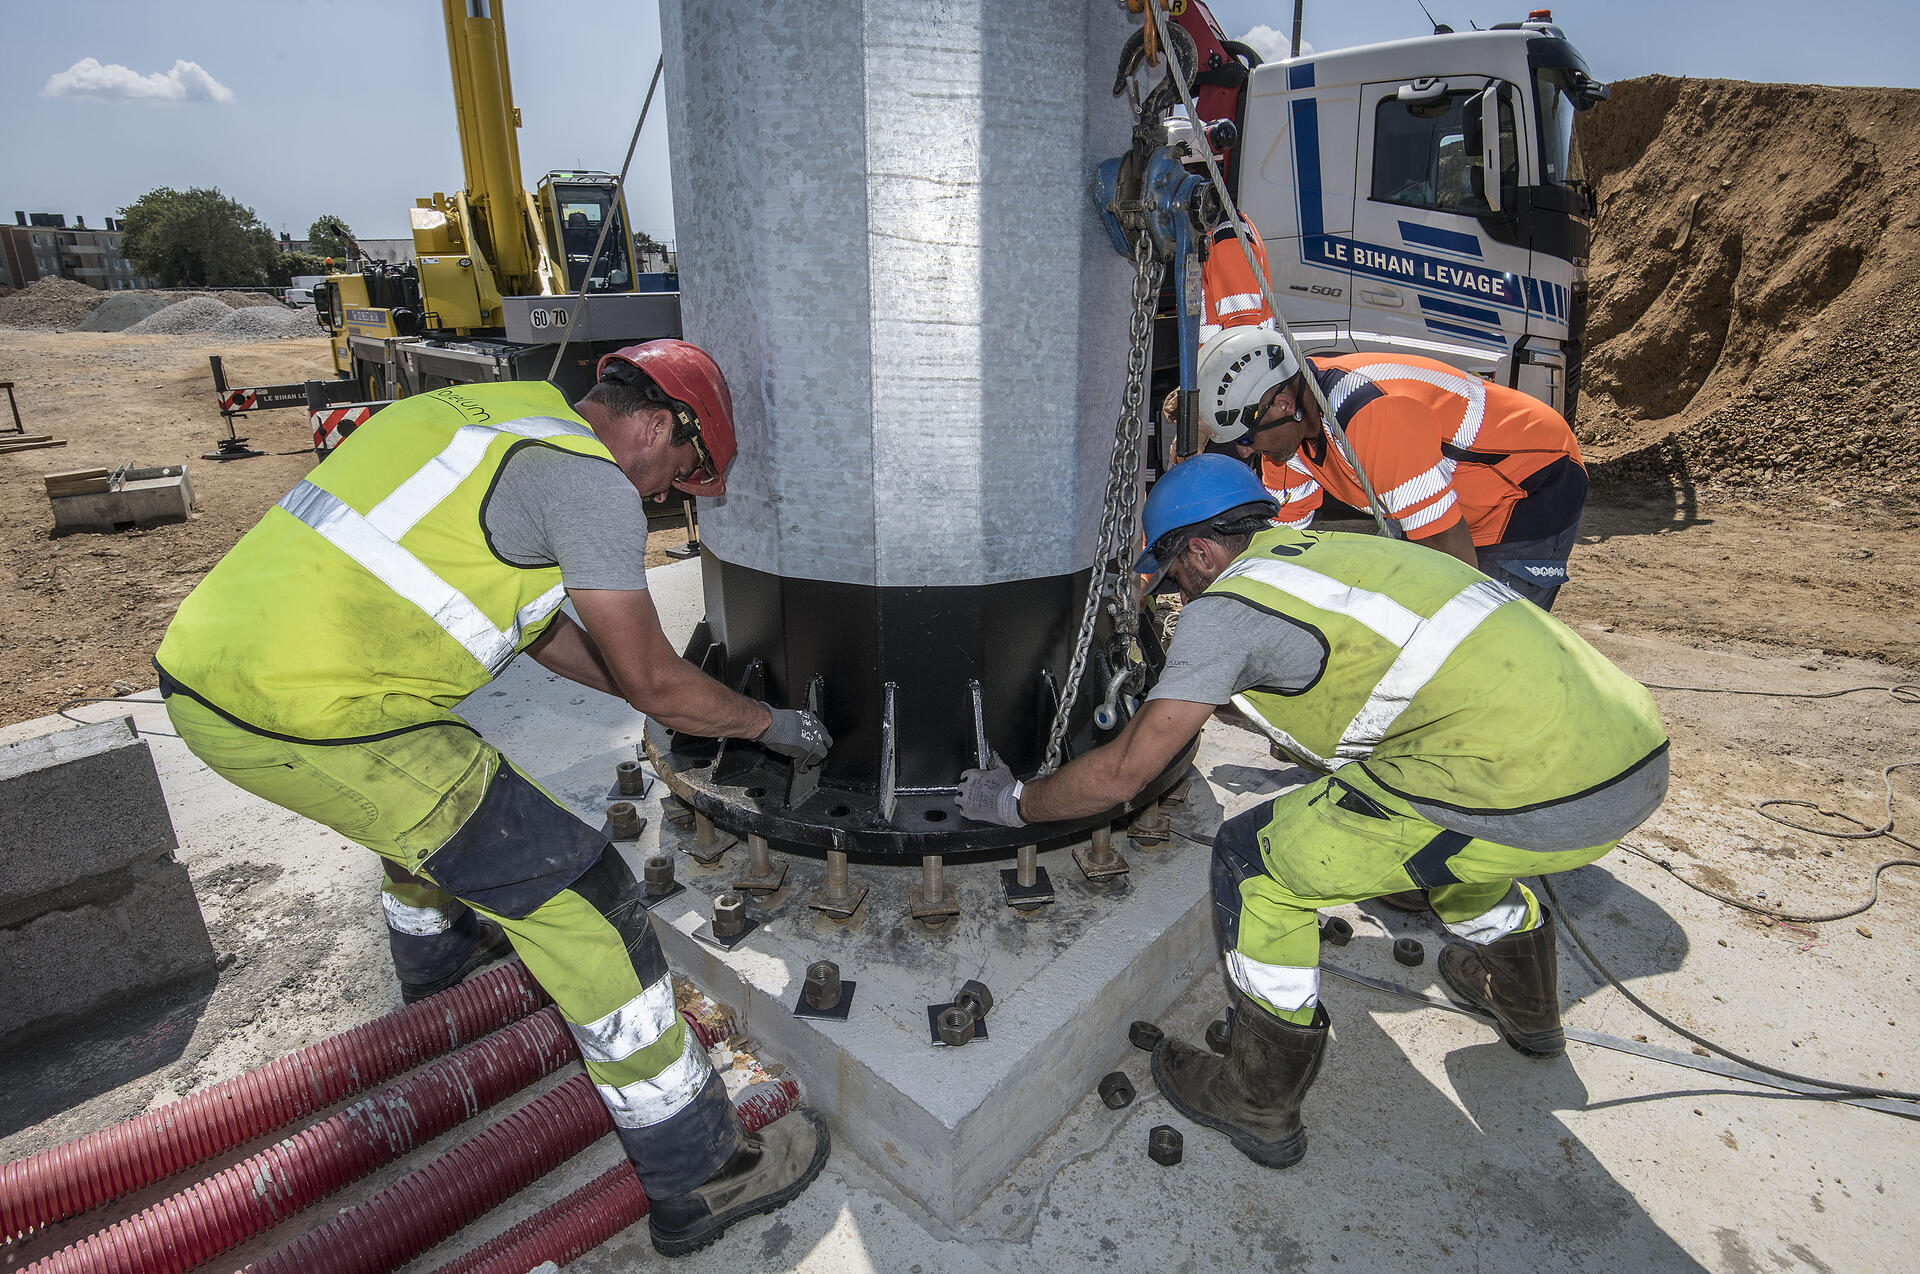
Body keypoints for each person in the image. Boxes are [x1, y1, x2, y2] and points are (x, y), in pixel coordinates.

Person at [154, 340, 831, 1257]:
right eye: (683, 473)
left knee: (440, 817)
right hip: (311, 717)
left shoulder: (480, 416)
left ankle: (441, 991)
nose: (669, 494)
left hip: (219, 673)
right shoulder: (591, 484)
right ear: (662, 424)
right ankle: (699, 1169)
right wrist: (757, 722)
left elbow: (540, 628)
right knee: (590, 901)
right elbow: (656, 677)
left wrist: (647, 698)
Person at [955, 454, 1668, 1170]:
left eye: (1175, 574)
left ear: (1200, 551)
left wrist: (1016, 803)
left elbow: (1122, 774)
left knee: (1256, 862)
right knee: (1461, 858)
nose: (1178, 590)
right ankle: (1529, 1009)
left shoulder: (1226, 610)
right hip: (1628, 763)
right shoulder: (1343, 551)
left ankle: (1255, 1102)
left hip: (1525, 799)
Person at [1195, 325, 1590, 610]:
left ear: (1284, 405)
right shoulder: (1293, 431)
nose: (1247, 454)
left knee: (1491, 631)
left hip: (1531, 478)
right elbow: (1280, 539)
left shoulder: (1370, 416)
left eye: (1247, 439)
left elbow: (1449, 556)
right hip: (1447, 494)